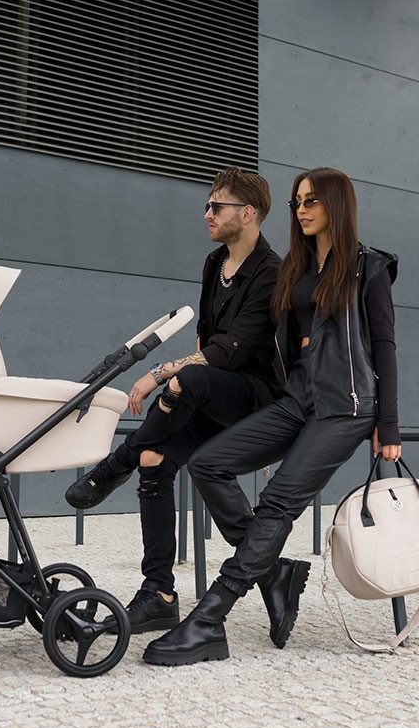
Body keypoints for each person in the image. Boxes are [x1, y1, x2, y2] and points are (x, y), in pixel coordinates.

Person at [143, 166, 401, 666]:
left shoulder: (368, 267)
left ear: (337, 205)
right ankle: (274, 572)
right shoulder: (297, 270)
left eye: (312, 201)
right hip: (297, 398)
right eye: (296, 202)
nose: (301, 210)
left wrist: (387, 424)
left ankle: (209, 618)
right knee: (209, 464)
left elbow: (385, 346)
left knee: (277, 502)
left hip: (345, 406)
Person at [66, 167, 311, 646]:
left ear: (248, 213)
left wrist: (160, 373)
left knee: (188, 379)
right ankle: (159, 592)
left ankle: (115, 464)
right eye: (207, 205)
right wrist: (180, 382)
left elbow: (232, 350)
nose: (207, 214)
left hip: (256, 397)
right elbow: (206, 339)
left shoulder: (272, 271)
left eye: (216, 206)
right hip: (211, 391)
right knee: (154, 459)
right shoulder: (214, 263)